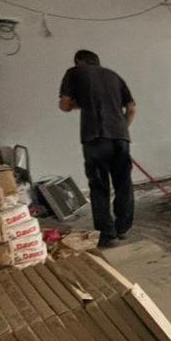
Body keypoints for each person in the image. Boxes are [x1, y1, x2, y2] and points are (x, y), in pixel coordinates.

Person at [58, 49, 137, 247]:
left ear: (79, 62)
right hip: (120, 137)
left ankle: (107, 235)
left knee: (99, 186)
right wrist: (122, 129)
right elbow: (132, 107)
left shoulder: (74, 72)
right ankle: (123, 228)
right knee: (123, 183)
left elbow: (65, 105)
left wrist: (80, 104)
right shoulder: (114, 76)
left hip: (95, 137)